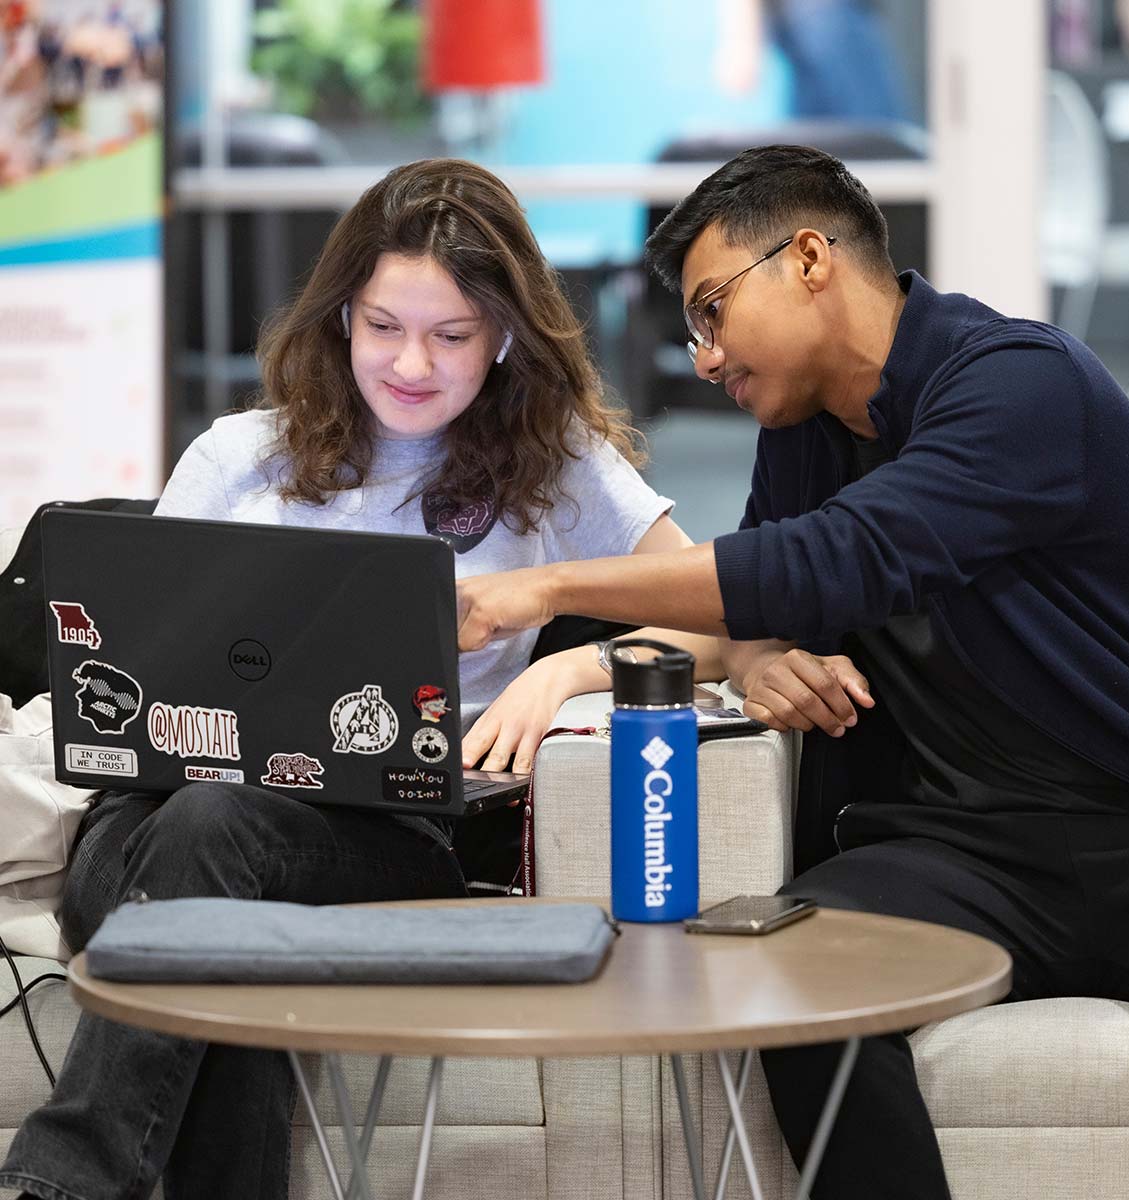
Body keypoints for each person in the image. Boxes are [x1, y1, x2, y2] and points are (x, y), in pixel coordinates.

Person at [455, 144, 1129, 1198]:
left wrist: (544, 590)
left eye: (712, 310)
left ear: (808, 257)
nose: (704, 356)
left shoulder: (1023, 385)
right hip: (965, 854)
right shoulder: (805, 432)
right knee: (777, 978)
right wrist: (727, 654)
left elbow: (844, 555)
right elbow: (766, 593)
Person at [0, 157, 719, 1200]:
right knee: (218, 900)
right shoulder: (238, 456)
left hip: (382, 844)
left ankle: (60, 1183)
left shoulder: (553, 465)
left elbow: (731, 610)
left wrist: (567, 666)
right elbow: (139, 663)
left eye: (451, 335)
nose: (411, 363)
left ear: (507, 334)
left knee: (219, 844)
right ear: (342, 317)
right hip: (144, 833)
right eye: (383, 325)